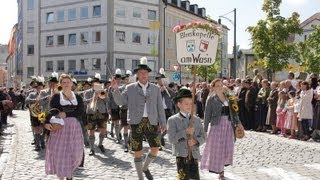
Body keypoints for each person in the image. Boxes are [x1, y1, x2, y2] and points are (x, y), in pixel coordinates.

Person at [111, 56, 166, 180]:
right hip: (136, 122)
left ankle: (145, 167)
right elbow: (120, 101)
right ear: (137, 74)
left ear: (148, 74)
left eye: (145, 72)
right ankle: (140, 177)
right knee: (137, 150)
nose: (143, 75)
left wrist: (163, 122)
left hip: (152, 121)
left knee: (155, 148)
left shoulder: (156, 89)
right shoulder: (130, 88)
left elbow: (160, 107)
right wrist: (115, 89)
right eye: (141, 73)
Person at [200, 78, 243, 180]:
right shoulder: (211, 99)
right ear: (213, 87)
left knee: (227, 148)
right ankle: (221, 172)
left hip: (228, 125)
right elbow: (207, 115)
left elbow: (234, 112)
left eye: (221, 85)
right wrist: (205, 130)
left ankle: (222, 169)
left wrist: (239, 123)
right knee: (218, 149)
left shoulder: (229, 97)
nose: (219, 87)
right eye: (217, 86)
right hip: (217, 126)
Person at [44, 74, 84, 180]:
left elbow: (80, 111)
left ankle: (70, 173)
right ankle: (63, 177)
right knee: (60, 152)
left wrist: (67, 114)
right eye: (64, 82)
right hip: (60, 127)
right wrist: (46, 122)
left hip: (74, 128)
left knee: (75, 152)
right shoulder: (57, 97)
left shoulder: (78, 97)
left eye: (68, 82)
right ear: (61, 84)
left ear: (72, 83)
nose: (66, 84)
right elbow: (51, 111)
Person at [167, 88, 205, 180]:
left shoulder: (196, 119)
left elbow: (203, 136)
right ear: (179, 104)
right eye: (186, 104)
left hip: (194, 155)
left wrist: (196, 141)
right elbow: (171, 139)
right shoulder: (172, 120)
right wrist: (185, 132)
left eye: (191, 103)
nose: (189, 106)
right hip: (181, 155)